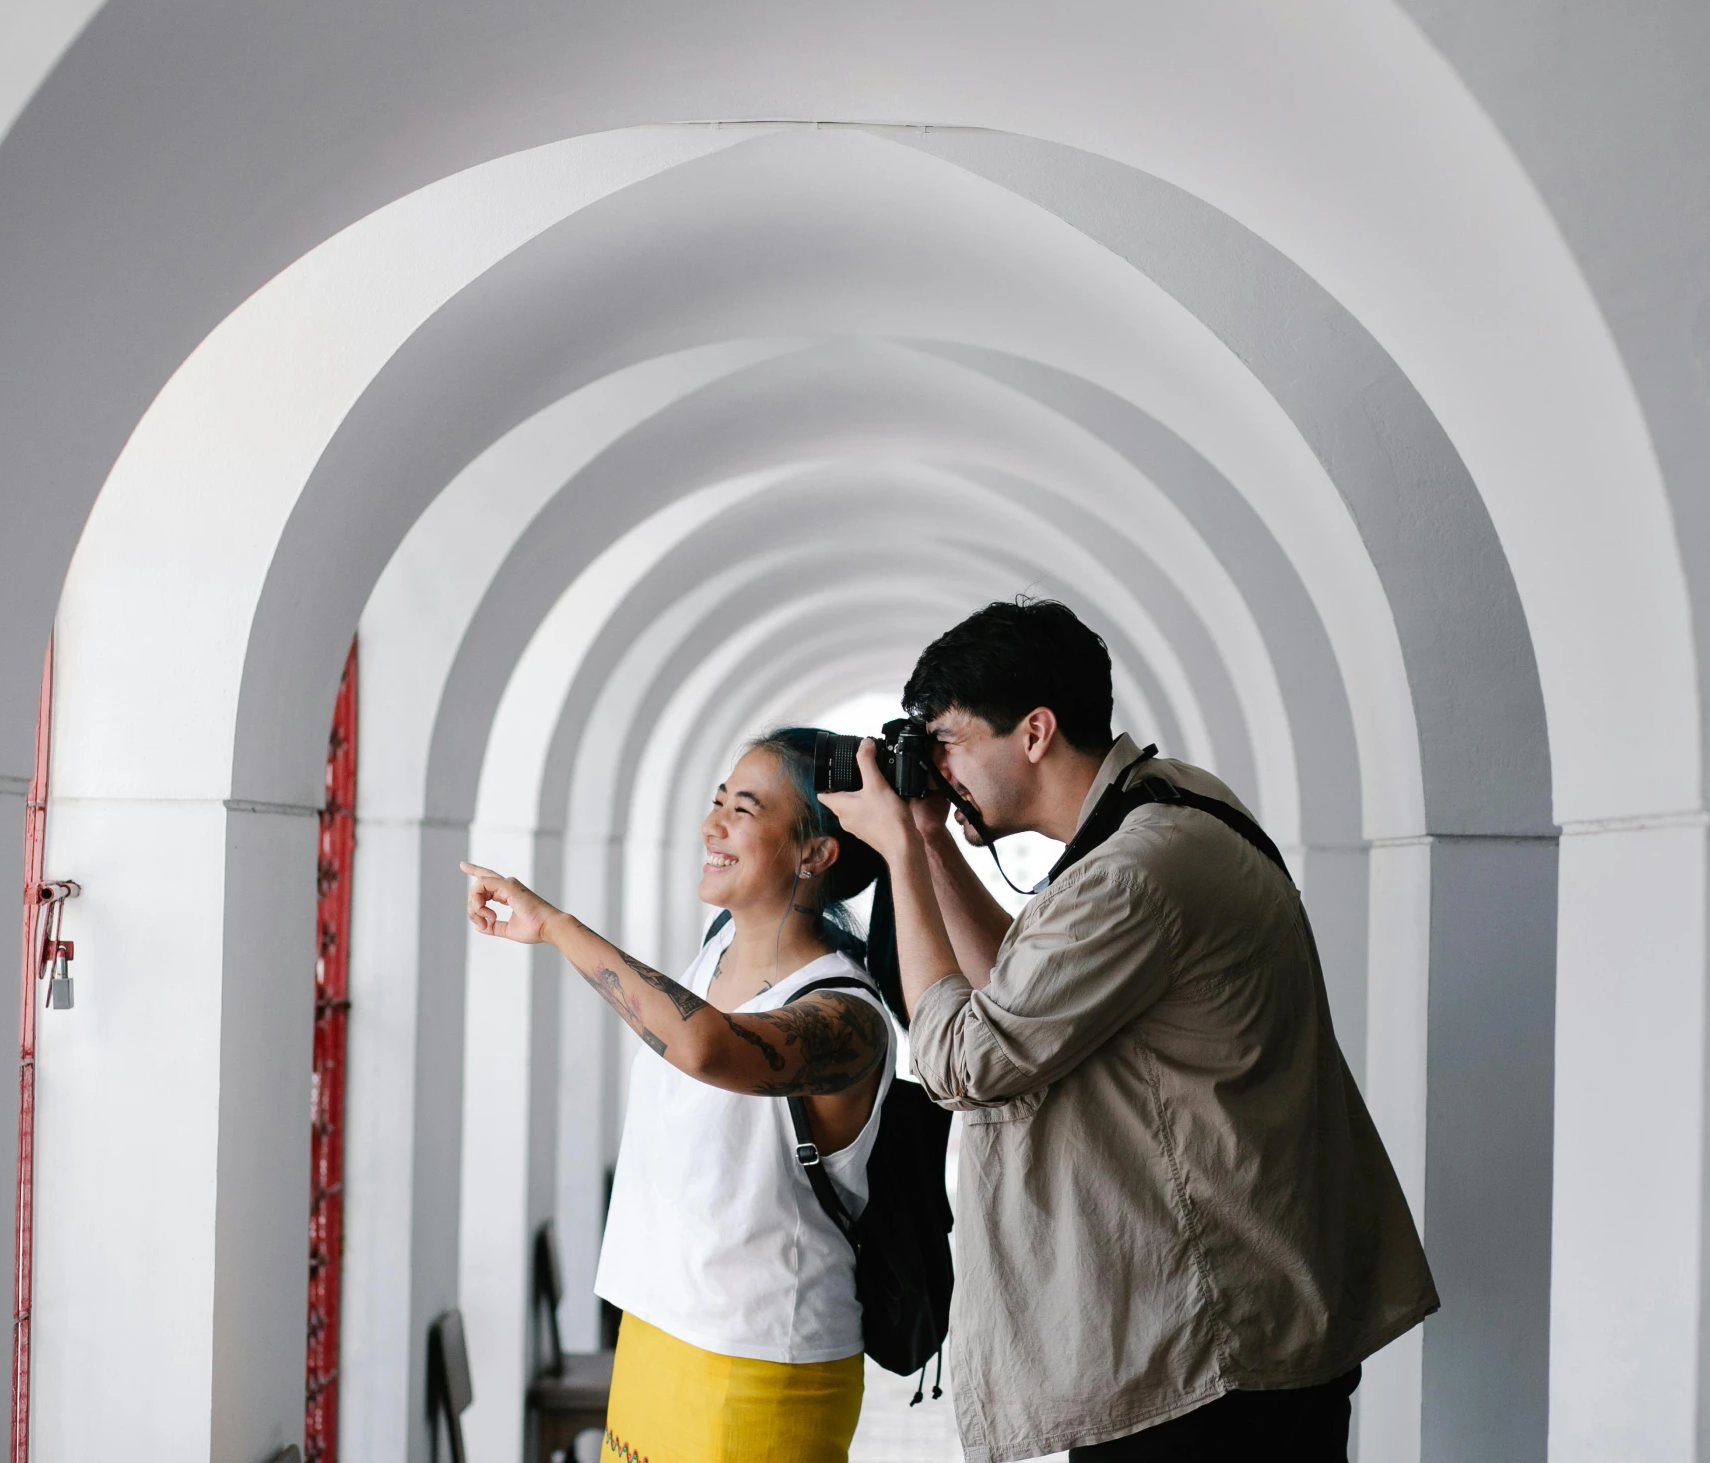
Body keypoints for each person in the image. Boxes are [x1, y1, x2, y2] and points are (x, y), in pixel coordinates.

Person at [821, 600, 1436, 1462]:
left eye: (949, 742)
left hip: (1210, 1355)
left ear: (1035, 731)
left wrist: (895, 854)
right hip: (1221, 1329)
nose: (938, 767)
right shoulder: (1169, 802)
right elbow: (1027, 989)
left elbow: (966, 1058)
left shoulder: (1137, 872)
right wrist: (926, 837)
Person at [461, 729, 895, 1463]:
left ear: (814, 852)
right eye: (717, 800)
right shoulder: (713, 953)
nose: (713, 824)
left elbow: (707, 1047)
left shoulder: (848, 1016)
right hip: (656, 1335)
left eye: (745, 809)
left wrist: (557, 926)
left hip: (759, 1360)